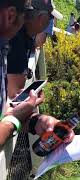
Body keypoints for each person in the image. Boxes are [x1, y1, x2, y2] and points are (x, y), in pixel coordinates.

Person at [0, 0, 40, 146]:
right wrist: (14, 119)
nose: (25, 22)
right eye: (26, 14)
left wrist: (35, 122)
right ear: (10, 15)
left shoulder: (3, 46)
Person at [7, 0, 62, 99]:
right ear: (41, 19)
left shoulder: (20, 33)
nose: (51, 21)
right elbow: (13, 95)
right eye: (51, 17)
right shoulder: (16, 42)